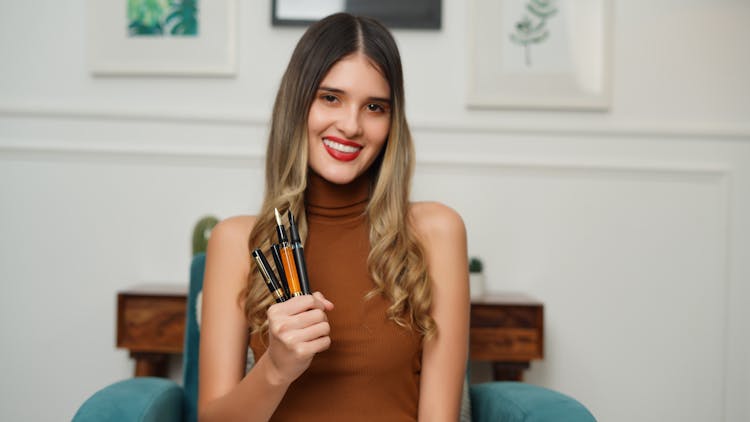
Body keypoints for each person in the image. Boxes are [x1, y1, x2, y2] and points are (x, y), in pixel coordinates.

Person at [198, 13, 469, 422]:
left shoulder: (436, 233)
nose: (351, 125)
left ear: (392, 121)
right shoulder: (238, 241)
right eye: (331, 98)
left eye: (374, 107)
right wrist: (275, 369)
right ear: (298, 103)